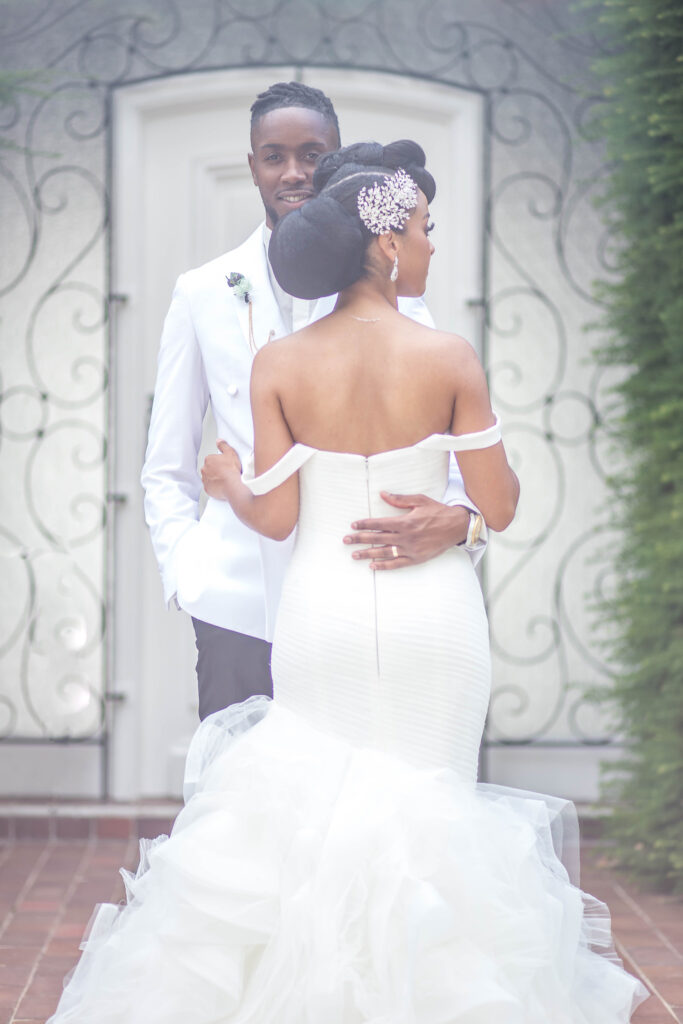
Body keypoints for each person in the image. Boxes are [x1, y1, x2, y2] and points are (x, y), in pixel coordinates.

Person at [49, 141, 647, 1023]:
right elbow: (499, 505)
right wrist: (457, 514)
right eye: (424, 228)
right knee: (435, 823)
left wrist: (227, 484)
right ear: (387, 245)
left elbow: (277, 518)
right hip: (433, 618)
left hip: (319, 615)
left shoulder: (279, 364)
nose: (431, 244)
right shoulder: (450, 357)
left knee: (312, 824)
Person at [141, 82, 487, 722]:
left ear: (334, 162)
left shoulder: (393, 290)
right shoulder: (202, 291)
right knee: (239, 777)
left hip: (359, 597)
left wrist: (464, 520)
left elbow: (453, 435)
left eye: (311, 154)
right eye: (275, 156)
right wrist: (187, 574)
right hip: (238, 606)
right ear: (252, 166)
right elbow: (166, 461)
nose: (294, 172)